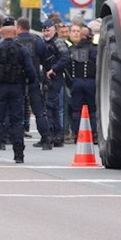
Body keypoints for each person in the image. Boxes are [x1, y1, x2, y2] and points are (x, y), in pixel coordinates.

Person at [0, 23, 36, 163]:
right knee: (17, 122)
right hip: (17, 88)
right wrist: (27, 82)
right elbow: (31, 71)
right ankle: (19, 155)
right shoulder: (21, 50)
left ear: (1, 34)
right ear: (15, 33)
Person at [13, 18, 52, 151]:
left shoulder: (14, 41)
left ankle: (12, 139)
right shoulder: (37, 40)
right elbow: (43, 58)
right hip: (34, 78)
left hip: (17, 79)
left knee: (14, 109)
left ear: (18, 27)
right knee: (39, 111)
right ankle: (46, 139)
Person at [41, 20, 71, 148]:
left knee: (50, 105)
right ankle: (57, 136)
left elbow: (66, 57)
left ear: (54, 30)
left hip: (55, 76)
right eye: (44, 30)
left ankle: (53, 135)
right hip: (47, 76)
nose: (46, 33)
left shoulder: (57, 42)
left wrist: (54, 69)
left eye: (48, 30)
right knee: (52, 107)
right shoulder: (44, 42)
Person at [67, 22, 97, 139]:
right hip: (90, 81)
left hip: (76, 82)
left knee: (76, 109)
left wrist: (71, 81)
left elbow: (67, 65)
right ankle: (94, 133)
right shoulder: (94, 49)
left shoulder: (72, 49)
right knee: (92, 109)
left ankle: (77, 134)